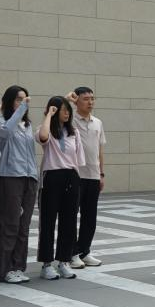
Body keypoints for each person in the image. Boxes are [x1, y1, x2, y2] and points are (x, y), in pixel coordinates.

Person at [0, 86, 36, 284]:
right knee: (10, 224)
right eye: (19, 100)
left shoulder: (27, 125)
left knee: (24, 226)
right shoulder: (0, 122)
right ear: (9, 101)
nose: (23, 103)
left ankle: (18, 267)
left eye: (25, 100)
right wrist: (20, 110)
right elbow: (5, 134)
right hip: (10, 176)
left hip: (29, 177)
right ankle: (4, 269)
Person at [36, 96, 84, 280]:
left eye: (68, 110)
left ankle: (64, 261)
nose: (67, 113)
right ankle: (46, 264)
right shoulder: (45, 128)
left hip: (71, 176)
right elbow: (43, 137)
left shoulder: (74, 132)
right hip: (52, 176)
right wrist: (49, 114)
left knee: (69, 222)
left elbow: (78, 159)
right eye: (63, 110)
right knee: (48, 221)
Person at [69, 87, 106, 268]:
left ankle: (85, 251)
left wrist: (101, 173)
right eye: (85, 99)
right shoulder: (70, 120)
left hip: (93, 175)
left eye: (92, 98)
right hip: (75, 175)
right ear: (76, 100)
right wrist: (68, 100)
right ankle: (71, 253)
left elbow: (100, 150)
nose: (90, 102)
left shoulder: (98, 122)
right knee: (71, 216)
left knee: (90, 217)